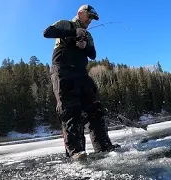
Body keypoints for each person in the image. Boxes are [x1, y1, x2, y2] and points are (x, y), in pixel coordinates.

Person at [43, 4, 120, 160]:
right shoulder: (66, 24)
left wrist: (84, 46)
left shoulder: (88, 35)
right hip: (63, 71)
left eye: (93, 19)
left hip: (81, 73)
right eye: (89, 17)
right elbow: (47, 32)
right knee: (71, 111)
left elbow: (93, 54)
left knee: (95, 107)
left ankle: (103, 146)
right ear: (80, 13)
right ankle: (76, 152)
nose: (90, 21)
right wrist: (74, 32)